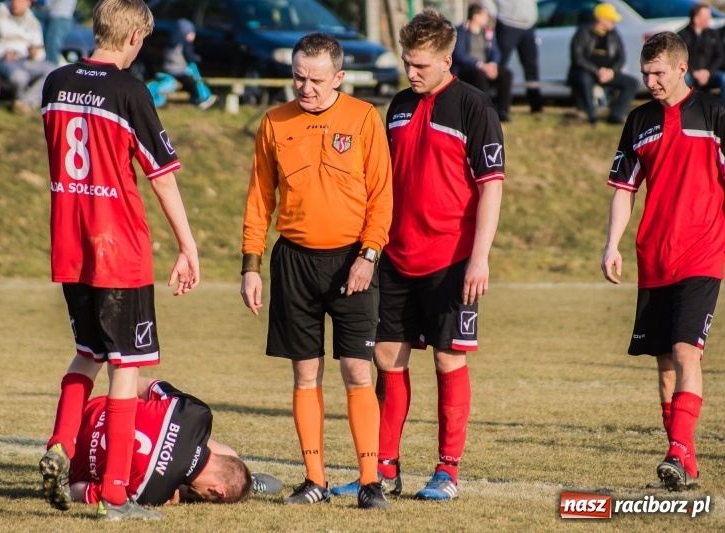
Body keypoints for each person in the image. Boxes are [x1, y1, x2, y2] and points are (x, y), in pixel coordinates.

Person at [38, 0, 200, 521]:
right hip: (118, 247)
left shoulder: (55, 83)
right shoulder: (130, 90)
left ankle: (60, 444)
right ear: (134, 37)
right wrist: (187, 245)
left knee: (87, 351)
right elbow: (162, 174)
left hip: (71, 243)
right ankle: (114, 494)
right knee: (127, 367)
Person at [333, 8, 504, 501]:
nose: (412, 73)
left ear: (448, 59)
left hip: (452, 258)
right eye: (408, 63)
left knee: (449, 362)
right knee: (388, 358)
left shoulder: (475, 107)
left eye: (421, 65)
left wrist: (480, 256)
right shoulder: (400, 106)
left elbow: (491, 187)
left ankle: (447, 471)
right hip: (396, 255)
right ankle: (384, 469)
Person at [239, 32, 393, 509]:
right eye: (298, 77)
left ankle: (370, 483)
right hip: (294, 262)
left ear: (339, 78)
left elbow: (382, 198)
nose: (305, 88)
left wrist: (368, 255)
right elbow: (260, 199)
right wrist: (251, 265)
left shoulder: (365, 118)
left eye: (316, 80)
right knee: (306, 376)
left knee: (356, 372)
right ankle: (315, 480)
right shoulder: (274, 122)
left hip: (353, 261)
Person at [601, 31, 725, 492]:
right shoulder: (638, 121)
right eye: (645, 72)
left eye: (657, 73)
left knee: (685, 349)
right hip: (654, 256)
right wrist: (612, 244)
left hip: (703, 252)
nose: (650, 80)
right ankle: (685, 462)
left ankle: (675, 450)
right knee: (664, 362)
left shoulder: (714, 115)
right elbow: (623, 190)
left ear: (680, 68)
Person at [67, 376, 279, 508]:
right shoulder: (153, 494)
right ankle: (236, 483)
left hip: (91, 409)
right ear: (217, 490)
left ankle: (239, 477)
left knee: (223, 454)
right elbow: (76, 489)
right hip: (71, 460)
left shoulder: (197, 413)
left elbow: (142, 383)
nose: (203, 499)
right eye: (207, 498)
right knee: (181, 487)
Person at [0, 0, 57, 114]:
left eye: (20, 1)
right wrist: (1, 52)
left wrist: (35, 54)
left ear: (28, 3)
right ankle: (23, 104)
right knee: (20, 76)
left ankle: (24, 103)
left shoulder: (33, 22)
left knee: (53, 71)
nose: (16, 4)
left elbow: (40, 51)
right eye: (14, 0)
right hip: (2, 60)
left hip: (25, 60)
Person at [567, 2, 639, 125]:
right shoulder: (583, 32)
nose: (614, 22)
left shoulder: (614, 34)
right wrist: (596, 71)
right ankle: (592, 114)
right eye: (611, 19)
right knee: (585, 79)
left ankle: (616, 115)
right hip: (587, 72)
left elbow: (621, 57)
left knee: (632, 82)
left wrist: (612, 71)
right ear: (601, 19)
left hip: (608, 73)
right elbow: (578, 58)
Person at [452, 3, 513, 122]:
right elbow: (459, 54)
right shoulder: (461, 32)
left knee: (506, 74)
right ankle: (482, 109)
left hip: (486, 66)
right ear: (475, 16)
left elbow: (495, 51)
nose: (487, 18)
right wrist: (481, 65)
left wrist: (493, 65)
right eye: (485, 15)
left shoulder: (487, 32)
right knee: (478, 75)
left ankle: (502, 110)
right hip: (468, 67)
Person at [481, 0, 543, 113]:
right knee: (500, 65)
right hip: (508, 24)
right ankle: (495, 105)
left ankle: (536, 106)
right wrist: (494, 12)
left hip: (528, 26)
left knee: (531, 67)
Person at [162, 18, 217, 110]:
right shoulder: (185, 44)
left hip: (167, 70)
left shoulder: (170, 43)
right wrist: (196, 58)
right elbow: (189, 56)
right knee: (193, 82)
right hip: (179, 71)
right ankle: (200, 98)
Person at [677, 3, 725, 99]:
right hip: (690, 73)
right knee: (684, 79)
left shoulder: (712, 34)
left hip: (709, 72)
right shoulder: (683, 35)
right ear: (696, 19)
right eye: (707, 16)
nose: (710, 18)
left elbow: (720, 56)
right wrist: (694, 72)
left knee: (723, 78)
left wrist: (708, 72)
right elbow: (679, 58)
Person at [43, 0, 78, 64]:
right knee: (53, 49)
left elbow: (46, 4)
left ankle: (50, 71)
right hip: (61, 17)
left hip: (59, 17)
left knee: (52, 49)